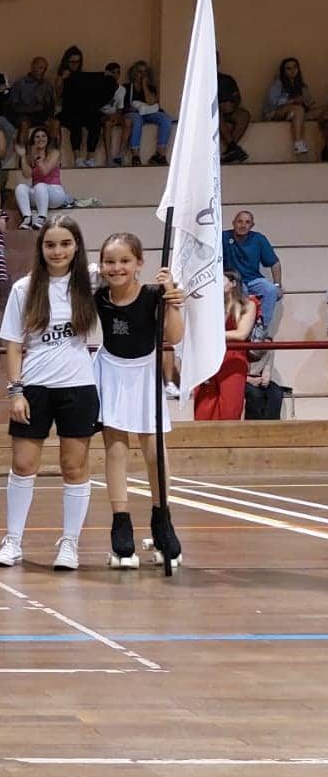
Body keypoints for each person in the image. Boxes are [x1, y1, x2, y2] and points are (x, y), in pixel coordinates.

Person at [0, 217, 100, 571]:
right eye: (51, 244)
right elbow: (13, 344)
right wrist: (16, 390)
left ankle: (70, 543)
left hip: (79, 387)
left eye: (65, 243)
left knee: (74, 466)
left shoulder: (92, 283)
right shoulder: (25, 288)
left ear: (77, 246)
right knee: (23, 465)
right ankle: (13, 541)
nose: (58, 251)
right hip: (34, 388)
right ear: (41, 249)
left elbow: (127, 279)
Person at [93, 233, 185, 568]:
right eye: (110, 261)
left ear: (139, 264)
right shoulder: (99, 297)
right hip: (112, 372)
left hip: (145, 373)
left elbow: (174, 336)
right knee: (116, 450)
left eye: (124, 261)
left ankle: (162, 520)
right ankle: (121, 525)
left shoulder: (153, 296)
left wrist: (172, 300)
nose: (116, 268)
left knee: (154, 452)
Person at [194, 271, 256, 422]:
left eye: (219, 280)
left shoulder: (248, 305)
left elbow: (241, 334)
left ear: (233, 283)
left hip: (232, 359)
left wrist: (212, 335)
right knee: (204, 409)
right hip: (207, 357)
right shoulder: (208, 305)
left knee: (230, 408)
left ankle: (228, 445)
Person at [223, 209, 283, 338]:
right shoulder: (223, 237)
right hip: (234, 280)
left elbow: (274, 263)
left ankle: (261, 327)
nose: (243, 225)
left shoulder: (258, 239)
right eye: (240, 221)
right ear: (233, 223)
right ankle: (242, 327)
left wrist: (278, 285)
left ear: (252, 225)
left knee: (270, 289)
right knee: (241, 291)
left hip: (253, 279)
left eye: (247, 222)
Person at [262, 56, 325, 159]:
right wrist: (293, 101)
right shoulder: (278, 84)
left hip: (299, 112)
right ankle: (299, 143)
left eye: (295, 67)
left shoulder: (302, 86)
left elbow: (309, 103)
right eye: (288, 68)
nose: (292, 71)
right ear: (284, 71)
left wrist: (307, 102)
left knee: (323, 110)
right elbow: (273, 103)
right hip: (277, 112)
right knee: (297, 109)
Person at [13, 126, 69, 230]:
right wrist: (23, 156)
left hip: (55, 194)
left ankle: (42, 218)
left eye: (43, 136)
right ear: (33, 140)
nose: (40, 139)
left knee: (40, 186)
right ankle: (27, 218)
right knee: (21, 187)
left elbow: (45, 171)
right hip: (38, 193)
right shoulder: (30, 155)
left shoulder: (55, 153)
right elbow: (26, 175)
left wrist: (38, 160)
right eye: (37, 137)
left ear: (48, 139)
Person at [122, 61, 173, 166]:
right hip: (133, 113)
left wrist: (145, 86)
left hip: (148, 113)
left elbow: (151, 102)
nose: (141, 74)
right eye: (139, 71)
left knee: (166, 119)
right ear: (134, 72)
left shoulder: (151, 88)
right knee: (137, 119)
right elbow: (122, 106)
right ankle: (135, 155)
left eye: (144, 72)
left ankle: (160, 154)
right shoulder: (126, 87)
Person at [7, 57, 57, 148]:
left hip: (40, 116)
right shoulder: (20, 84)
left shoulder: (47, 85)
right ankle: (23, 156)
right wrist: (33, 108)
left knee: (54, 123)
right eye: (40, 68)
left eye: (45, 69)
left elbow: (51, 106)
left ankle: (52, 155)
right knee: (24, 123)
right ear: (32, 67)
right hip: (23, 116)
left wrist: (46, 103)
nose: (43, 71)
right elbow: (13, 107)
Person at [216, 59, 252, 164]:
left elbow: (237, 96)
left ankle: (231, 149)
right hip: (211, 112)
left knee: (244, 115)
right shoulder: (200, 79)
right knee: (215, 115)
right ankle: (233, 149)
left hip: (228, 110)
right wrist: (218, 106)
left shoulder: (227, 79)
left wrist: (232, 105)